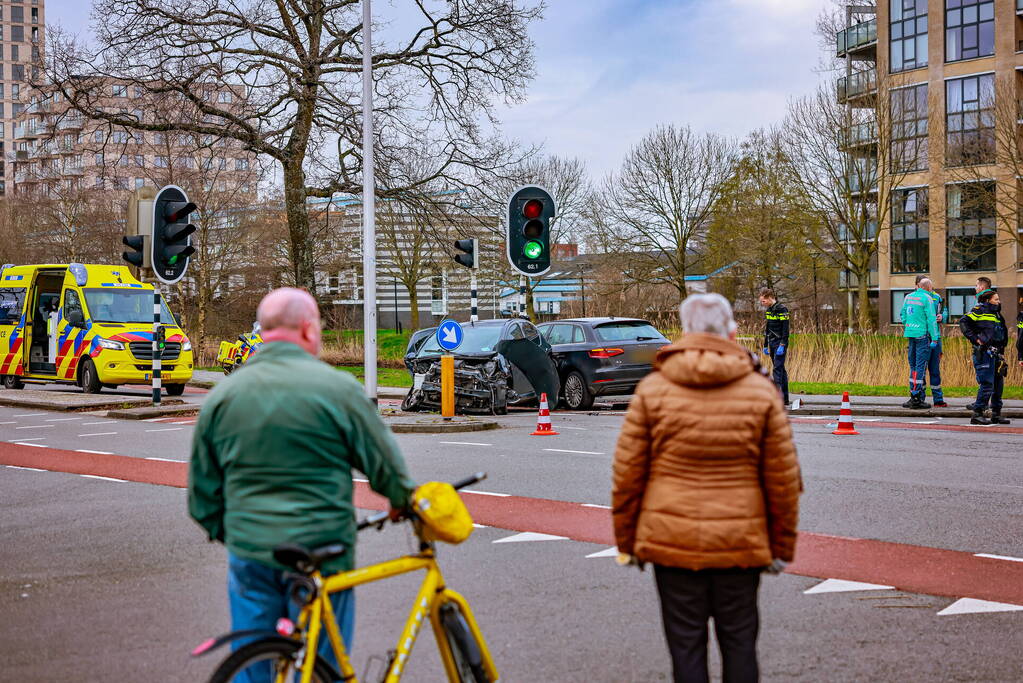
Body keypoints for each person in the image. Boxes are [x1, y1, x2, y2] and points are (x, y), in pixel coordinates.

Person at [188, 288, 416, 680]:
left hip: (252, 551)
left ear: (263, 332)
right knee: (318, 664)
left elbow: (202, 495)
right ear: (309, 330)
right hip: (321, 550)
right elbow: (387, 471)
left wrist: (235, 533)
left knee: (254, 657)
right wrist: (403, 501)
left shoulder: (224, 397)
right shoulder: (339, 390)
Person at [612, 293, 801, 683]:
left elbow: (628, 474)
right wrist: (781, 547)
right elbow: (782, 478)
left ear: (685, 333)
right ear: (732, 332)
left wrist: (628, 542)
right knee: (740, 645)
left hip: (672, 543)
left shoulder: (653, 389)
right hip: (740, 542)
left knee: (686, 650)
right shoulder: (760, 391)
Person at [959, 290, 1010, 426]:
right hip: (984, 353)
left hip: (997, 353)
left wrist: (1002, 351)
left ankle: (996, 414)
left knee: (998, 384)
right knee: (987, 384)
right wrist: (976, 339)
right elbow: (963, 322)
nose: (999, 302)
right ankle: (978, 414)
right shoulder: (979, 310)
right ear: (988, 300)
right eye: (996, 299)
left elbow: (1000, 333)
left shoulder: (997, 314)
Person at [899, 280, 940, 409]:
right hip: (922, 335)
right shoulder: (927, 298)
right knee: (920, 366)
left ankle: (913, 395)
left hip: (910, 334)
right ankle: (917, 397)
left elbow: (903, 314)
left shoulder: (908, 297)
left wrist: (908, 325)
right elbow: (931, 319)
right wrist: (935, 338)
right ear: (928, 287)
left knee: (913, 366)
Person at [916, 276, 947, 408]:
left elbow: (944, 310)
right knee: (920, 369)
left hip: (936, 337)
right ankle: (920, 398)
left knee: (935, 369)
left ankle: (938, 399)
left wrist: (943, 316)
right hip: (922, 336)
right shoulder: (914, 297)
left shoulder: (937, 297)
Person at [758, 288, 790, 407]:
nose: (762, 304)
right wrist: (766, 344)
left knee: (777, 369)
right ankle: (785, 398)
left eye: (763, 301)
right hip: (771, 342)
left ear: (769, 297)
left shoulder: (782, 309)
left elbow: (785, 329)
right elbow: (768, 329)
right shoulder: (769, 310)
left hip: (780, 343)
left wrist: (783, 344)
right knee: (781, 369)